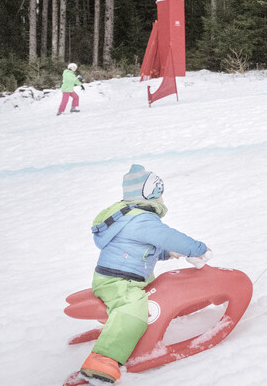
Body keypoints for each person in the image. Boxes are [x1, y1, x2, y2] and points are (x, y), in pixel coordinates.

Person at [77, 164, 212, 384]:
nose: (162, 199)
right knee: (132, 308)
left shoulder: (131, 218)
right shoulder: (141, 220)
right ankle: (103, 359)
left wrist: (166, 254)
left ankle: (138, 320)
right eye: (160, 193)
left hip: (127, 277)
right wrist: (197, 249)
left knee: (153, 289)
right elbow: (168, 236)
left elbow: (139, 249)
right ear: (150, 195)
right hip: (117, 282)